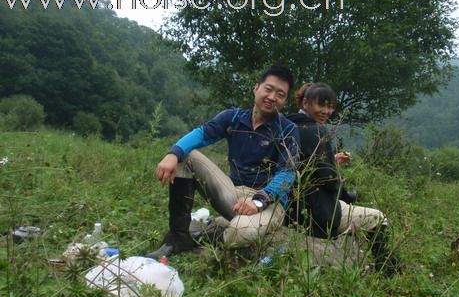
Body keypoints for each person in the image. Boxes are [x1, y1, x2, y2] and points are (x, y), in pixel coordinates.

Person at [148, 64, 300, 259]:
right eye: (268, 89)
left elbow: (288, 172)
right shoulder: (234, 118)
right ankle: (179, 236)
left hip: (269, 203)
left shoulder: (288, 129)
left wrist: (260, 200)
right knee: (186, 156)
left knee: (242, 231)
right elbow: (202, 133)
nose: (272, 97)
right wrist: (173, 153)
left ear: (285, 101)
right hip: (234, 194)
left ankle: (214, 233)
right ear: (256, 88)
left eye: (280, 94)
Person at [287, 82, 400, 273]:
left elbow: (309, 166)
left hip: (292, 207)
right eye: (321, 105)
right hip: (317, 212)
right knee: (378, 218)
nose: (326, 111)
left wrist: (332, 161)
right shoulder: (317, 131)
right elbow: (329, 180)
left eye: (330, 106)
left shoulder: (287, 125)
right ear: (305, 103)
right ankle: (388, 271)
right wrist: (347, 194)